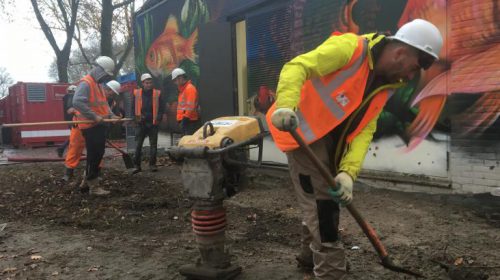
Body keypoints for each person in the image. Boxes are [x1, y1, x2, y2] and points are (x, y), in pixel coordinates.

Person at [266, 19, 443, 279]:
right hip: (300, 132)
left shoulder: (385, 85)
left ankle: (307, 257)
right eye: (415, 67)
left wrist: (348, 173)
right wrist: (286, 106)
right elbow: (297, 67)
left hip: (332, 144)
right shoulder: (350, 48)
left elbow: (364, 131)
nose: (411, 76)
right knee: (324, 207)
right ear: (400, 52)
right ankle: (331, 270)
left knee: (316, 201)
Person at [72, 56, 121, 196]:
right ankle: (93, 186)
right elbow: (77, 102)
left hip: (98, 126)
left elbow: (104, 105)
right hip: (91, 126)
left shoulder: (98, 84)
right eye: (105, 74)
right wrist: (94, 116)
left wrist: (111, 116)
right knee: (95, 155)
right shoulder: (86, 83)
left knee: (95, 155)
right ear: (99, 69)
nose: (105, 77)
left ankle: (85, 182)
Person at [63, 80, 121, 182]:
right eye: (110, 92)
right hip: (80, 125)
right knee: (75, 149)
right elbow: (75, 106)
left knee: (97, 152)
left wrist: (115, 118)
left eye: (113, 94)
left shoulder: (112, 102)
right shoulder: (91, 95)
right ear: (107, 89)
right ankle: (69, 172)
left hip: (97, 128)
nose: (110, 95)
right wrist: (71, 110)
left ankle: (95, 172)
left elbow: (112, 113)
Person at [131, 73, 164, 173]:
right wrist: (136, 119)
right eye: (147, 83)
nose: (149, 84)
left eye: (150, 82)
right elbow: (133, 108)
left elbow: (162, 108)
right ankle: (137, 166)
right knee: (138, 145)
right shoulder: (136, 93)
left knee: (153, 145)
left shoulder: (157, 93)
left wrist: (159, 118)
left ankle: (152, 165)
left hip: (153, 123)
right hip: (141, 123)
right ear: (142, 83)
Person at [172, 68, 199, 135]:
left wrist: (185, 120)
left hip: (189, 121)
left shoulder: (189, 88)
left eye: (175, 80)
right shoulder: (183, 90)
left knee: (188, 143)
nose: (175, 82)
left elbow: (190, 106)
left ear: (180, 78)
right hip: (186, 121)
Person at [56, 85, 77, 157]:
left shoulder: (66, 97)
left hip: (69, 119)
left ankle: (63, 148)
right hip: (73, 119)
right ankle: (62, 148)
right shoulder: (71, 96)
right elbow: (70, 108)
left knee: (74, 136)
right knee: (75, 136)